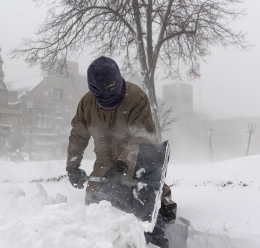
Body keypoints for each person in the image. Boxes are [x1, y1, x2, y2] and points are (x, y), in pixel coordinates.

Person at [65, 56, 176, 247]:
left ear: (117, 80)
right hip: (103, 169)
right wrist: (72, 166)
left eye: (109, 88)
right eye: (99, 90)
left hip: (135, 166)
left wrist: (123, 163)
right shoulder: (86, 103)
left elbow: (144, 137)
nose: (105, 93)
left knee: (146, 213)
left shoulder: (136, 97)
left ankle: (155, 236)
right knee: (97, 214)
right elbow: (78, 136)